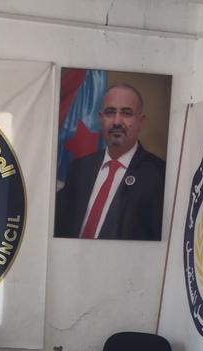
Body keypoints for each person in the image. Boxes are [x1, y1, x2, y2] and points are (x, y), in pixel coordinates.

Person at [54, 84, 166, 241]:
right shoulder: (79, 168)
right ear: (101, 118)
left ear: (141, 121)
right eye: (110, 112)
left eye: (126, 113)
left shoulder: (160, 176)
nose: (117, 121)